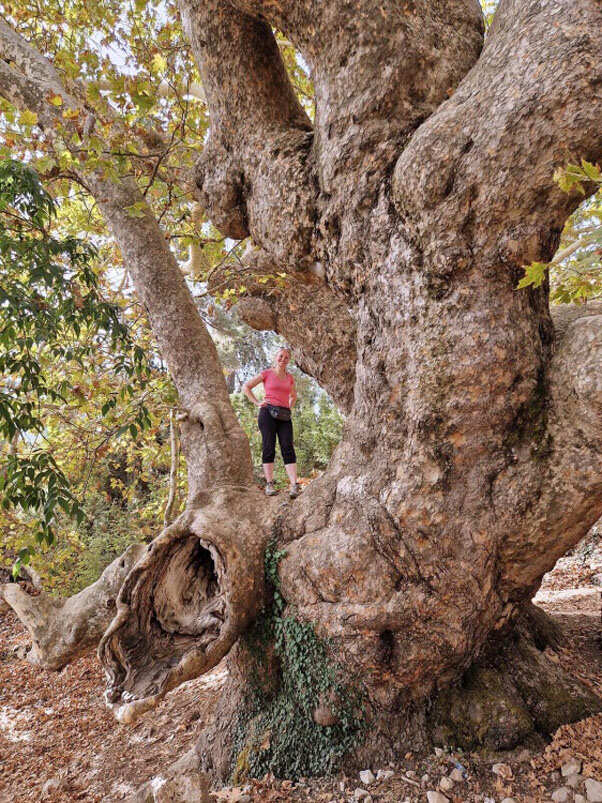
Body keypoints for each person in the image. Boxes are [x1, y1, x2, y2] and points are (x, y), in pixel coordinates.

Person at [242, 347, 300, 498]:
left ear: (289, 360)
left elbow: (293, 396)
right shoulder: (266, 373)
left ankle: (294, 485)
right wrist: (257, 402)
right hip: (267, 413)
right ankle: (269, 484)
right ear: (276, 357)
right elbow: (246, 387)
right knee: (268, 446)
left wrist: (288, 407)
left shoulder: (290, 378)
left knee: (287, 446)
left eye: (286, 357)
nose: (283, 359)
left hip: (284, 416)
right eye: (281, 356)